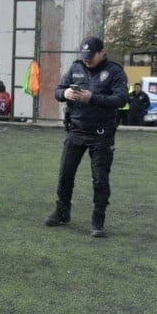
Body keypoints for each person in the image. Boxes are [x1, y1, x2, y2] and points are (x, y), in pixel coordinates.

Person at [45, 36, 128, 237]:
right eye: (84, 56)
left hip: (101, 134)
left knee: (100, 179)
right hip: (76, 130)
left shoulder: (114, 71)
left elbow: (121, 99)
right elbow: (58, 90)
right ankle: (62, 212)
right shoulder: (75, 68)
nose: (87, 60)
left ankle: (98, 220)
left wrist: (93, 98)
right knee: (65, 174)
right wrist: (64, 95)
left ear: (102, 53)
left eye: (91, 56)